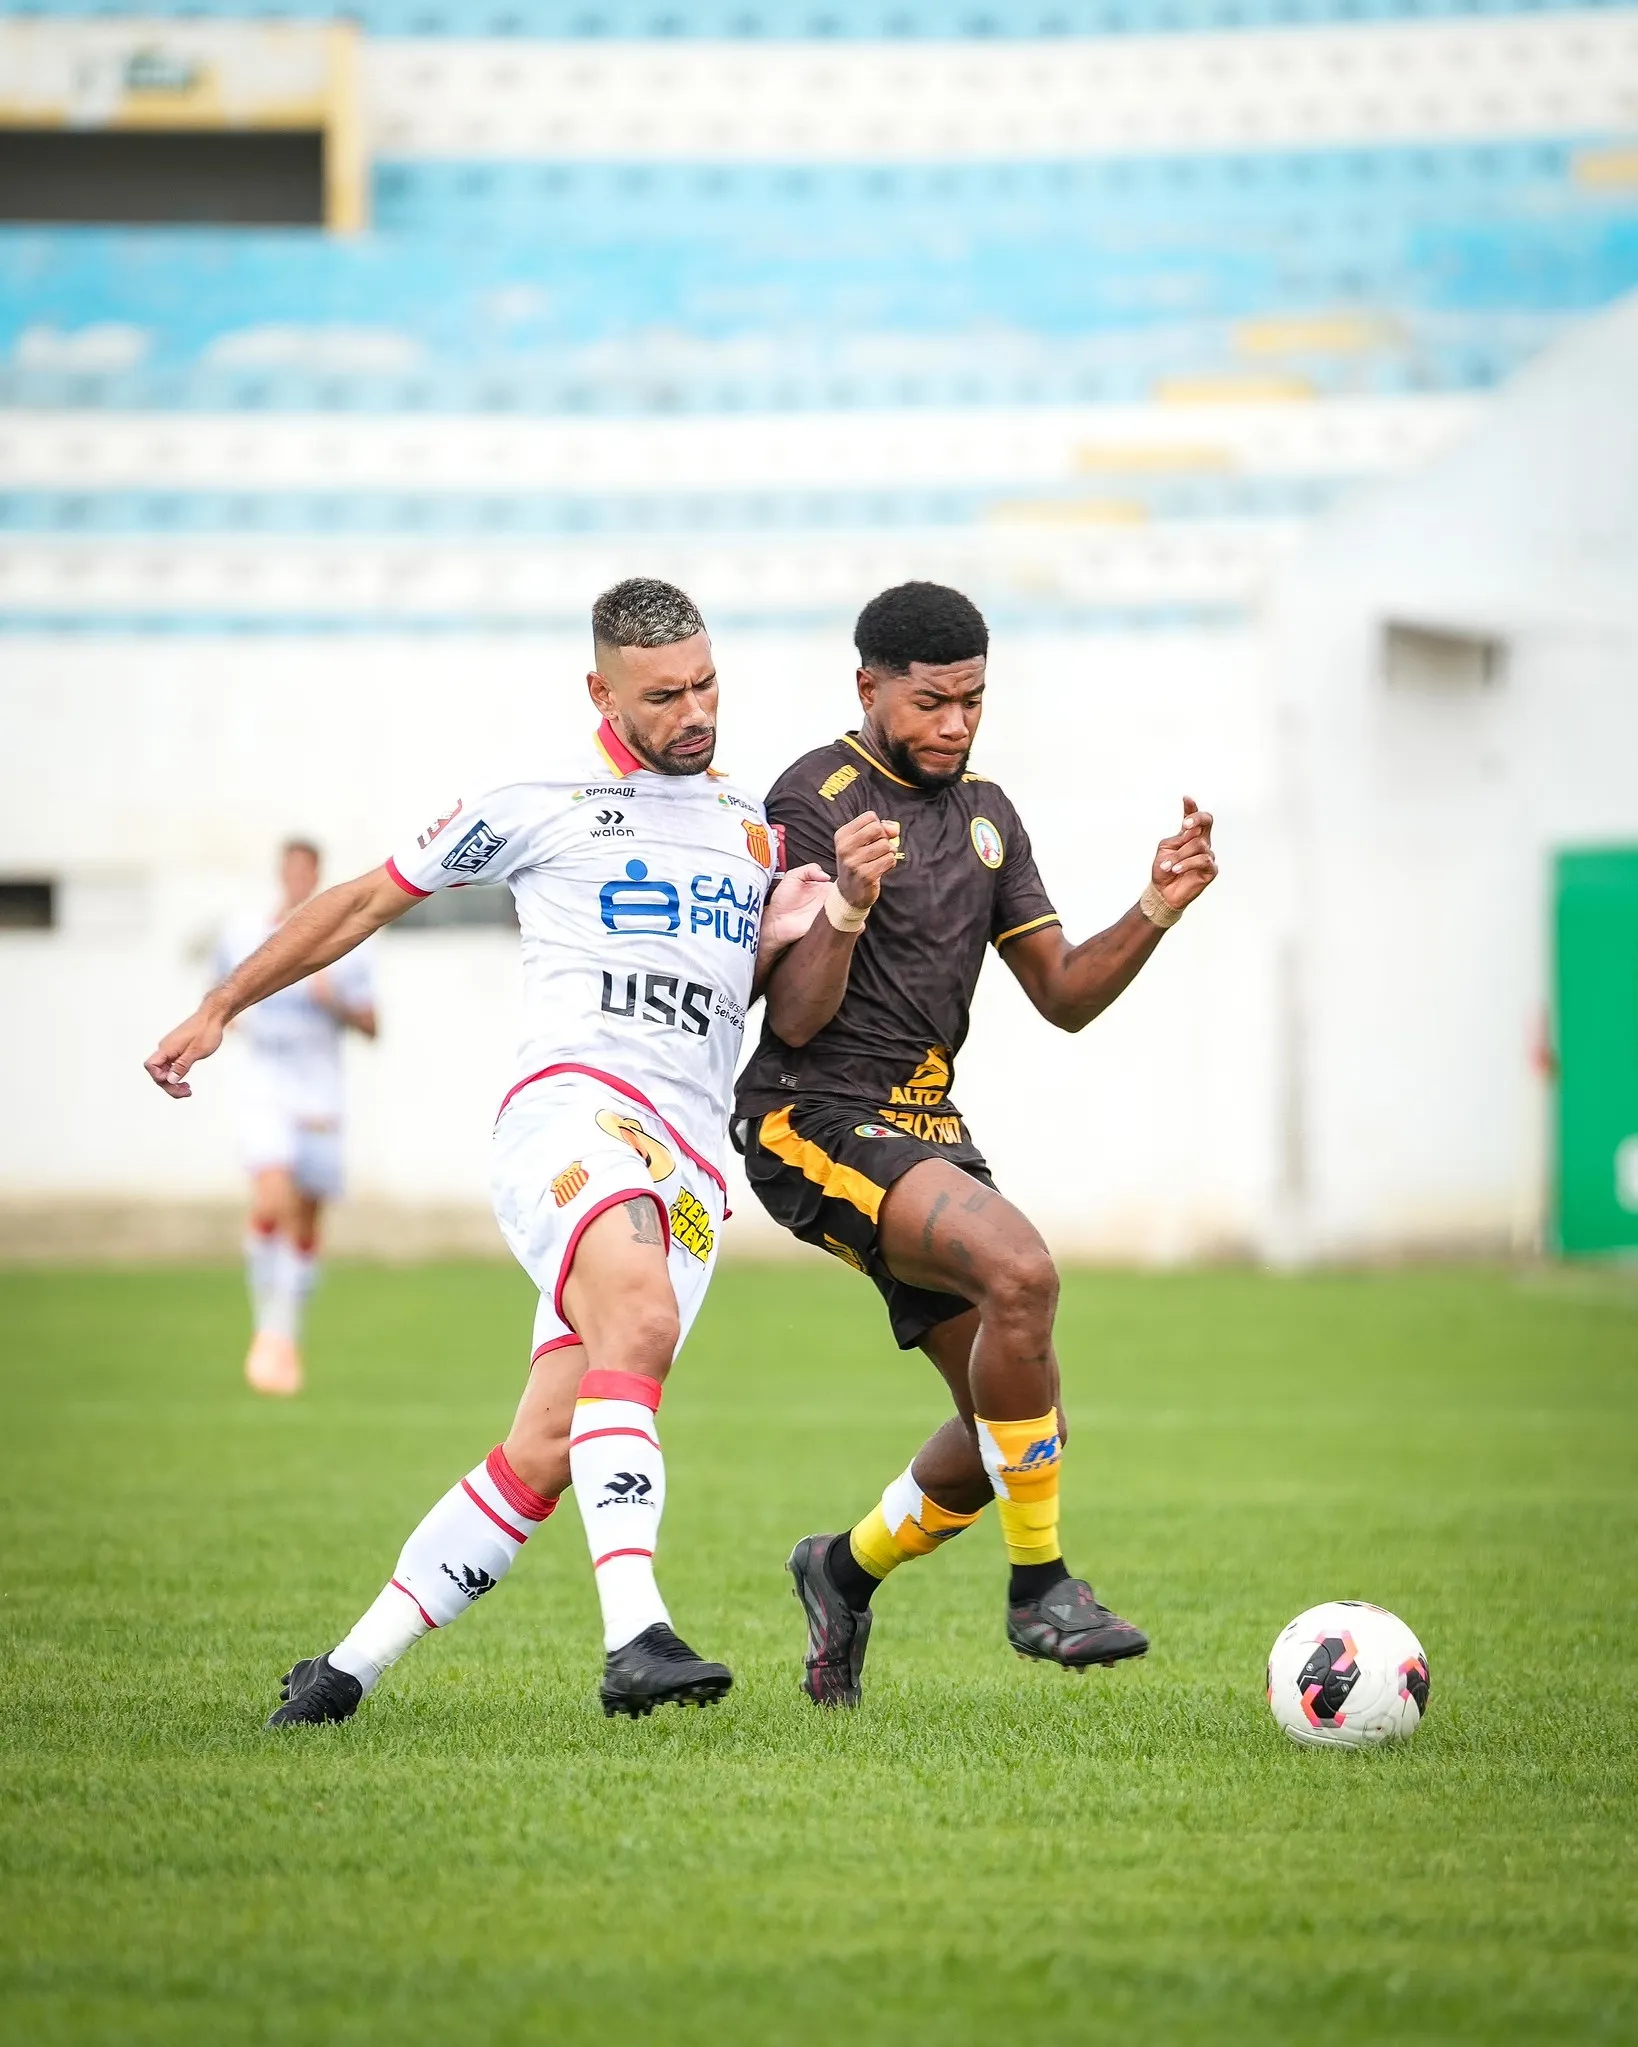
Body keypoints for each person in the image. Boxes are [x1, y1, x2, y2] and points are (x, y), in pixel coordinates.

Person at [145, 577, 893, 1726]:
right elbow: (360, 902)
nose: (695, 710)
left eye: (706, 683)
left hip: (688, 1159)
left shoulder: (752, 826)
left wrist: (835, 910)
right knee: (636, 1320)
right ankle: (636, 1633)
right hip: (575, 1112)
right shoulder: (536, 800)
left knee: (546, 1445)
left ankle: (342, 1672)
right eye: (664, 695)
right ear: (601, 690)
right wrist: (223, 1003)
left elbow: (779, 1013)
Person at [735, 580, 1220, 1706]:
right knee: (1024, 1272)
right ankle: (1040, 1588)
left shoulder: (989, 812)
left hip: (923, 1131)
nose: (956, 723)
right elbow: (796, 1017)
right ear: (869, 687)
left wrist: (1155, 906)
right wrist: (847, 899)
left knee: (1013, 1418)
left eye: (974, 701)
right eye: (933, 701)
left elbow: (1061, 994)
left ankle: (840, 1570)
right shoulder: (814, 798)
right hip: (809, 1115)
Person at [216, 839, 378, 1399]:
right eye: (289, 869)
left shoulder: (348, 945)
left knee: (306, 1220)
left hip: (321, 1097)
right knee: (271, 1199)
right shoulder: (243, 934)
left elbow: (373, 1025)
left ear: (316, 875)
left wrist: (331, 998)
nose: (297, 878)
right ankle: (268, 1331)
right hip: (265, 1088)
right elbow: (220, 998)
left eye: (306, 870)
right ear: (281, 873)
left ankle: (286, 1335)